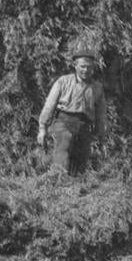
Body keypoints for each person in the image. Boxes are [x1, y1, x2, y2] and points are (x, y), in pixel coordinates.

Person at [36, 47, 108, 175]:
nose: (86, 70)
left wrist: (101, 139)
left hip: (84, 126)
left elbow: (101, 115)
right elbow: (49, 105)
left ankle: (75, 190)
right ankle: (57, 181)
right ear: (75, 66)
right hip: (64, 122)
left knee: (81, 163)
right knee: (63, 151)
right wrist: (42, 128)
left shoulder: (97, 88)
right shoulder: (63, 82)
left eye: (89, 67)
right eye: (82, 67)